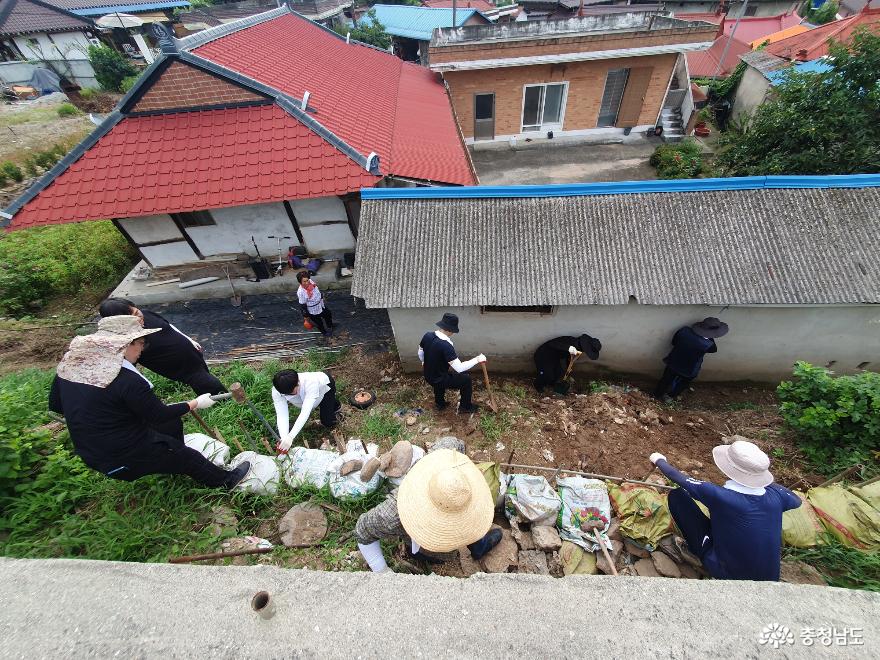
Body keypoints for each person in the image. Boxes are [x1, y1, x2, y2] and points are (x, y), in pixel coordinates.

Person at [48, 316, 250, 488]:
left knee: (170, 425)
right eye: (141, 343)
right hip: (118, 457)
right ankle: (226, 481)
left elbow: (57, 406)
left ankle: (166, 463)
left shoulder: (72, 368)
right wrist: (195, 403)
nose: (142, 350)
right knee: (186, 456)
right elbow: (158, 414)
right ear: (124, 345)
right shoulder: (127, 380)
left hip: (88, 450)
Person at [648, 440, 801, 581]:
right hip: (769, 577)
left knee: (677, 497)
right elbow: (796, 500)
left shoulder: (721, 496)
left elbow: (680, 479)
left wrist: (658, 459)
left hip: (727, 573)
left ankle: (702, 557)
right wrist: (761, 480)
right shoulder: (777, 497)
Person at [355, 437, 502, 572]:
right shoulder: (394, 513)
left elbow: (459, 446)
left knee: (469, 510)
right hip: (428, 549)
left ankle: (478, 546)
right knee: (437, 553)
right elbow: (362, 530)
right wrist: (382, 572)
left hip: (459, 507)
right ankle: (451, 552)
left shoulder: (449, 449)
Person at [98, 297, 224, 395]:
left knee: (204, 378)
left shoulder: (146, 314)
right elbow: (128, 368)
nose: (139, 317)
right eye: (132, 317)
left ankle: (211, 398)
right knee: (207, 383)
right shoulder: (127, 341)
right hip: (180, 368)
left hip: (191, 353)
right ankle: (225, 400)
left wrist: (189, 340)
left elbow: (168, 325)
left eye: (137, 312)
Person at [418, 313, 486, 414]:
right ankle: (465, 407)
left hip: (428, 374)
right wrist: (477, 359)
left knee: (440, 374)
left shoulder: (427, 335)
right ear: (450, 330)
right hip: (438, 378)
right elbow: (459, 368)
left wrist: (424, 362)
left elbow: (420, 352)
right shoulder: (446, 346)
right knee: (466, 380)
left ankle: (440, 403)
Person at [654, 317, 729, 400]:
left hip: (673, 361)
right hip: (689, 368)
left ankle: (656, 395)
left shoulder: (684, 331)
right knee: (683, 383)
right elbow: (714, 350)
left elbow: (674, 342)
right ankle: (670, 396)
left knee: (666, 379)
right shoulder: (709, 345)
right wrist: (710, 337)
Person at [272, 369, 341, 453]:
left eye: (297, 384)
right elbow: (282, 415)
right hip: (309, 395)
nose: (298, 384)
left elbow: (305, 412)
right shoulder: (277, 391)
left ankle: (335, 405)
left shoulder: (311, 382)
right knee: (314, 402)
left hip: (325, 386)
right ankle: (325, 403)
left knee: (328, 421)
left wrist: (291, 436)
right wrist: (284, 438)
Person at [533, 333, 602, 393]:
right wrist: (568, 348)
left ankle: (551, 384)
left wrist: (568, 367)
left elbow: (568, 357)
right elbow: (552, 344)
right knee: (547, 375)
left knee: (559, 373)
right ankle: (538, 385)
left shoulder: (578, 349)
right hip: (543, 355)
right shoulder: (570, 340)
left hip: (554, 358)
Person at [296, 271, 334, 337]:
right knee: (319, 322)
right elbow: (302, 305)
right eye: (304, 281)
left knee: (328, 314)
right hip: (312, 309)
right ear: (300, 282)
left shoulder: (311, 281)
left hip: (320, 304)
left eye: (307, 280)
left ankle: (330, 326)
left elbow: (316, 289)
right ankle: (324, 332)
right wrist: (306, 316)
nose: (307, 282)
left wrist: (320, 297)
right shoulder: (301, 292)